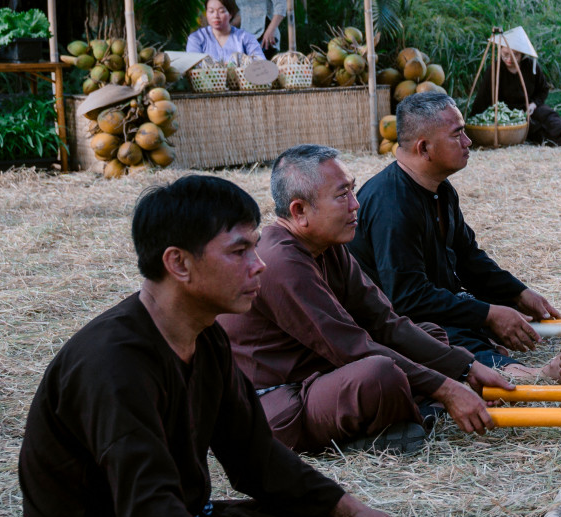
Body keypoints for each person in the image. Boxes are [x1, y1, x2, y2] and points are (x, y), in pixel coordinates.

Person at [0, 174, 408, 517]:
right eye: (239, 251)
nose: (260, 265)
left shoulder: (206, 337)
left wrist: (348, 508)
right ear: (179, 263)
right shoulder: (112, 362)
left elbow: (254, 455)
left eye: (255, 247)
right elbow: (148, 509)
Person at [222, 145, 520, 455]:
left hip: (324, 375)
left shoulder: (329, 246)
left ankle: (408, 412)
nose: (356, 204)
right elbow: (353, 348)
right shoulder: (280, 262)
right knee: (380, 374)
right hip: (280, 408)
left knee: (430, 334)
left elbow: (386, 323)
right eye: (342, 195)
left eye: (352, 190)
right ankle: (408, 416)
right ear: (299, 211)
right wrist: (447, 388)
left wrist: (466, 367)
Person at [352, 91, 561, 376]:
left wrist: (518, 293)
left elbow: (468, 258)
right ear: (424, 148)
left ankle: (494, 347)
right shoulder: (391, 204)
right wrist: (489, 314)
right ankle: (531, 376)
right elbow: (407, 299)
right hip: (392, 323)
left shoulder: (440, 189)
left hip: (427, 306)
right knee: (442, 337)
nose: (468, 141)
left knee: (490, 312)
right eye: (457, 134)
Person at [469, 36, 561, 145]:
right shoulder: (494, 69)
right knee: (534, 128)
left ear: (521, 54)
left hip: (529, 106)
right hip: (510, 113)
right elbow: (483, 97)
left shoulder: (531, 66)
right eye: (505, 54)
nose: (509, 59)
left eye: (515, 55)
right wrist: (473, 122)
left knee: (546, 113)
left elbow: (543, 89)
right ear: (500, 51)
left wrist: (534, 104)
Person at [186, 0, 259, 63]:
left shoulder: (245, 37)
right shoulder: (196, 38)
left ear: (230, 14)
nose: (216, 16)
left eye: (221, 11)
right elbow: (192, 65)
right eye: (211, 11)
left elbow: (260, 62)